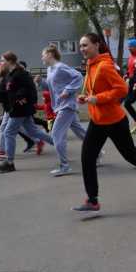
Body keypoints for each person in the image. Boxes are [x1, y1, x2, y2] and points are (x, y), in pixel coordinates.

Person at [72, 33, 136, 212]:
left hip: (114, 120)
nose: (82, 49)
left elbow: (122, 88)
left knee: (131, 155)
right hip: (98, 120)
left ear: (97, 45)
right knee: (87, 157)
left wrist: (97, 99)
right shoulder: (91, 65)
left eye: (85, 45)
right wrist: (87, 98)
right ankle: (92, 200)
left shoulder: (105, 66)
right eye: (81, 46)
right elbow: (97, 90)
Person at [0, 52, 55, 173]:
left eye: (2, 60)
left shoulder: (21, 74)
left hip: (20, 109)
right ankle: (58, 143)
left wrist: (23, 99)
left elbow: (29, 90)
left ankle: (9, 162)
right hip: (17, 108)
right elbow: (11, 92)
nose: (1, 63)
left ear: (10, 61)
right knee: (33, 131)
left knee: (8, 132)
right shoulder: (10, 75)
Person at [36, 44, 88, 177]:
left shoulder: (60, 67)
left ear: (50, 55)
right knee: (80, 131)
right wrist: (41, 82)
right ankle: (98, 153)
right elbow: (52, 86)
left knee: (56, 135)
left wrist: (68, 90)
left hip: (67, 106)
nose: (41, 57)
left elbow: (78, 77)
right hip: (59, 106)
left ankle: (64, 166)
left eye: (43, 54)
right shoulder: (50, 69)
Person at [124, 37, 136, 134]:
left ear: (135, 47)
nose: (129, 48)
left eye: (130, 47)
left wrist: (132, 79)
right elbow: (130, 69)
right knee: (129, 104)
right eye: (128, 47)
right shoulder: (131, 57)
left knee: (130, 104)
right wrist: (126, 75)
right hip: (131, 83)